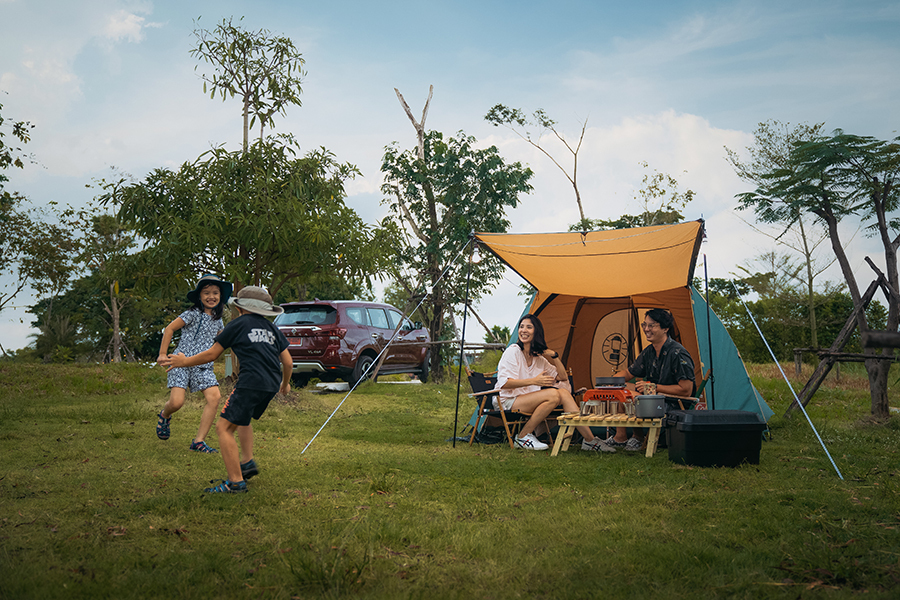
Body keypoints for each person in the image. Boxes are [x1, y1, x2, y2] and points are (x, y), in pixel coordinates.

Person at [161, 285, 292, 494]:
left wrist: (184, 362)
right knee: (242, 419)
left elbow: (212, 354)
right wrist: (284, 384)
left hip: (249, 382)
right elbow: (288, 362)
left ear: (239, 308)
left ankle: (235, 482)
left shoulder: (237, 324)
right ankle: (247, 462)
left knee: (224, 428)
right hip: (270, 384)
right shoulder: (272, 328)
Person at [495, 314, 615, 452]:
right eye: (521, 327)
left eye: (529, 327)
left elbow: (562, 377)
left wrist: (554, 356)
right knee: (553, 394)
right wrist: (534, 381)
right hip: (509, 400)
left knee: (562, 393)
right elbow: (505, 383)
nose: (524, 330)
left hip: (527, 399)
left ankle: (590, 440)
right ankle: (522, 436)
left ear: (536, 332)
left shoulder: (538, 358)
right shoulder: (513, 351)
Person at [156, 274, 233, 453]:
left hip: (202, 365)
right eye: (206, 293)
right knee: (176, 403)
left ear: (221, 296)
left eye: (215, 293)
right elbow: (169, 329)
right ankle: (165, 414)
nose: (211, 297)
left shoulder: (218, 319)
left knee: (214, 398)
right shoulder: (191, 314)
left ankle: (198, 441)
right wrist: (162, 354)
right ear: (199, 296)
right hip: (180, 361)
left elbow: (221, 340)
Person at [607, 308, 695, 451]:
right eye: (644, 325)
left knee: (630, 396)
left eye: (651, 325)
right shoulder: (649, 351)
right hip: (653, 398)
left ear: (665, 328)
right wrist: (610, 383)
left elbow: (686, 390)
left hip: (674, 403)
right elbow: (629, 372)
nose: (646, 329)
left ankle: (637, 438)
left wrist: (654, 387)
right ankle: (620, 437)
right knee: (621, 388)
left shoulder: (678, 353)